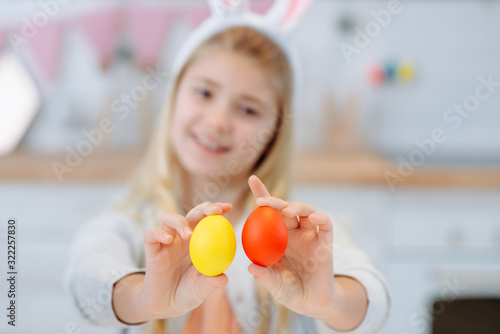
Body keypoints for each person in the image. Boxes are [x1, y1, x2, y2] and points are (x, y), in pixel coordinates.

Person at [63, 1, 391, 333]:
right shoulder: (133, 227)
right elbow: (85, 279)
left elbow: (374, 302)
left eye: (248, 110)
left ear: (275, 132)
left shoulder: (303, 236)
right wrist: (144, 297)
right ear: (175, 96)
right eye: (204, 92)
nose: (218, 121)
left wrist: (331, 301)